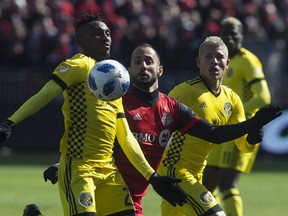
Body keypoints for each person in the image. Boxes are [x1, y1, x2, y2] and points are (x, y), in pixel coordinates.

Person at [43, 41, 281, 216]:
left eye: (149, 61)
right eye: (138, 61)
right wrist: (63, 164)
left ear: (160, 70)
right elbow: (100, 137)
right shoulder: (163, 95)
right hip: (142, 179)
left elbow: (222, 137)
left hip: (151, 188)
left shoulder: (177, 105)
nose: (143, 65)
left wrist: (253, 130)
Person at [0, 13, 189, 216]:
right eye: (97, 34)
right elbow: (45, 95)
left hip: (109, 171)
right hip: (80, 167)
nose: (106, 37)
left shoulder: (116, 77)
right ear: (81, 41)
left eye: (107, 33)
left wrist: (153, 177)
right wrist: (11, 122)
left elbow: (125, 137)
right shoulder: (79, 65)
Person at [155, 35, 279, 216]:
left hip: (197, 172)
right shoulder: (185, 92)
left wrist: (253, 136)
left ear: (227, 63)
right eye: (208, 57)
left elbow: (243, 145)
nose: (214, 61)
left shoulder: (232, 99)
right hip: (175, 170)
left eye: (219, 57)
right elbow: (157, 125)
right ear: (199, 62)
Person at [202, 17, 272, 216]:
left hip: (242, 129)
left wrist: (237, 113)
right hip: (224, 130)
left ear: (242, 35)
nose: (230, 37)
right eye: (226, 33)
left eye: (234, 33)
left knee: (227, 183)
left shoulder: (248, 61)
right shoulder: (221, 61)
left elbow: (264, 96)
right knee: (206, 184)